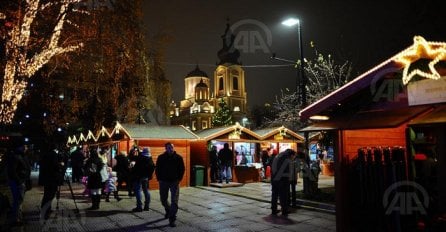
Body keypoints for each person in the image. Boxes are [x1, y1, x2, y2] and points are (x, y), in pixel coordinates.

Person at [155, 142, 185, 227]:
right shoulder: (161, 158)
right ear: (165, 148)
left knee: (174, 201)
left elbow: (182, 169)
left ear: (173, 148)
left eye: (171, 147)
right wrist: (159, 179)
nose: (170, 149)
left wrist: (179, 179)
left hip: (174, 181)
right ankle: (168, 210)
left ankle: (172, 218)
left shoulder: (178, 158)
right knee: (163, 199)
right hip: (163, 181)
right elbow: (157, 169)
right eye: (168, 148)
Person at [6, 143, 31, 226]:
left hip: (20, 181)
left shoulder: (21, 156)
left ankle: (18, 218)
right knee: (18, 201)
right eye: (26, 146)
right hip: (18, 182)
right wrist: (20, 181)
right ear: (22, 147)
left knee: (19, 201)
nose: (27, 148)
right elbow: (13, 171)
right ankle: (16, 219)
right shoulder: (17, 156)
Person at [39, 143, 65, 220]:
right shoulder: (53, 155)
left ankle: (46, 208)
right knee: (50, 194)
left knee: (47, 194)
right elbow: (55, 166)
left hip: (46, 178)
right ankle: (46, 210)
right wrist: (61, 164)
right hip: (52, 178)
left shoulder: (45, 154)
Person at [270, 149, 296, 217]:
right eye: (293, 156)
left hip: (274, 178)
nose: (293, 158)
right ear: (291, 154)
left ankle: (274, 210)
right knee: (283, 195)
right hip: (282, 179)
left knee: (274, 194)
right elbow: (288, 170)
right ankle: (284, 210)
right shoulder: (286, 158)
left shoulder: (278, 155)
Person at [131, 147, 155, 212]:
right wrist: (149, 176)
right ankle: (147, 206)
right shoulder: (150, 158)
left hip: (138, 177)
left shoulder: (140, 158)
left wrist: (132, 170)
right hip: (146, 177)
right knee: (146, 190)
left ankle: (139, 207)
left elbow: (136, 167)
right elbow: (152, 167)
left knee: (138, 190)